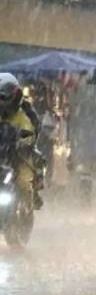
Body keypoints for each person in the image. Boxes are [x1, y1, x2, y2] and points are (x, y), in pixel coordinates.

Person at [0, 73, 44, 210]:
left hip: (16, 154)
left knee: (27, 174)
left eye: (5, 96)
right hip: (1, 152)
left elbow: (31, 130)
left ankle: (29, 201)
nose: (3, 101)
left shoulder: (24, 114)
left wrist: (24, 140)